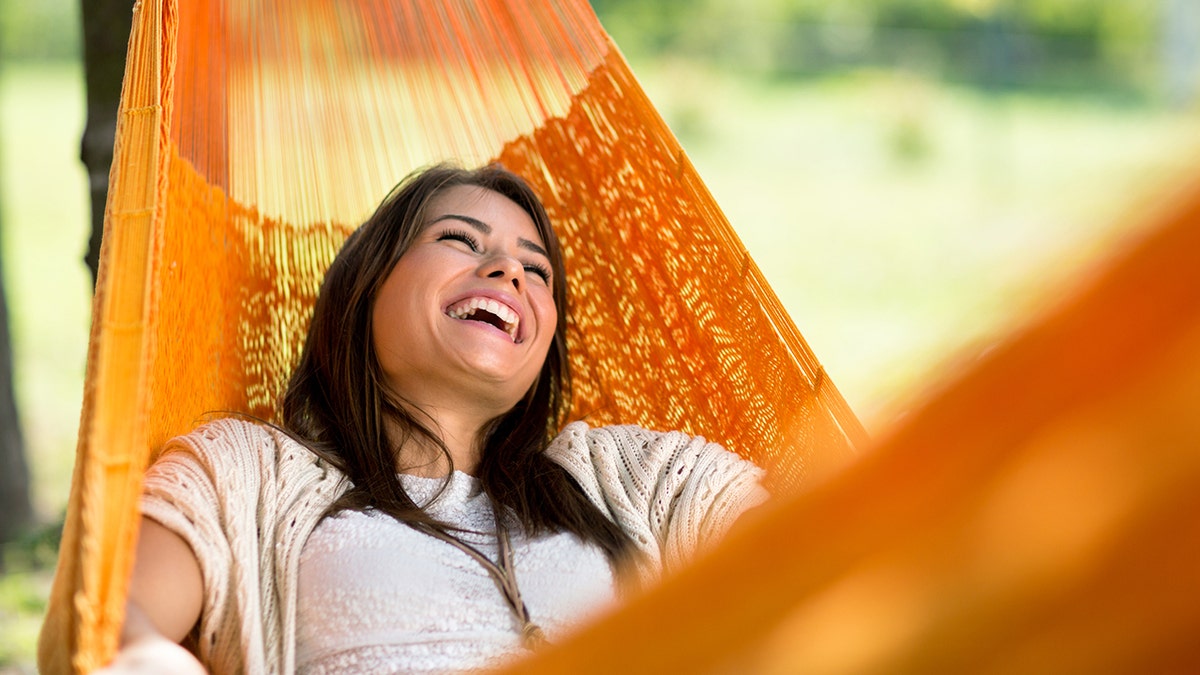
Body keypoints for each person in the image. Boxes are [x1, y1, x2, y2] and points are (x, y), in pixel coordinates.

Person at [102, 164, 768, 674]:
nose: (509, 270)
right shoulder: (249, 472)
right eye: (459, 239)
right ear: (366, 285)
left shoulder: (633, 478)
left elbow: (821, 541)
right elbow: (113, 620)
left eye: (537, 271)